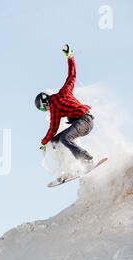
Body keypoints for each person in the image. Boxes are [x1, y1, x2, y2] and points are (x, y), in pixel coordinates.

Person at [35, 44, 94, 172]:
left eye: (43, 109)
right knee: (55, 142)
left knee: (63, 139)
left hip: (84, 121)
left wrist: (43, 142)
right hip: (85, 121)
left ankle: (87, 159)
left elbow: (53, 128)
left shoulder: (54, 106)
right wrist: (70, 57)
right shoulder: (64, 91)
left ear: (45, 103)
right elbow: (71, 76)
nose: (46, 111)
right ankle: (69, 167)